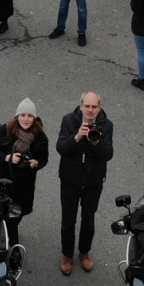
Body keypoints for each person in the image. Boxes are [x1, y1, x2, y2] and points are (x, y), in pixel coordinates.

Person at [55, 92, 113, 275]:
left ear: (99, 108)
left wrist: (96, 142)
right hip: (70, 179)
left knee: (88, 220)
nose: (90, 110)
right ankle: (67, 255)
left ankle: (84, 253)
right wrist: (77, 137)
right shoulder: (68, 121)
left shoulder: (107, 125)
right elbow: (61, 149)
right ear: (80, 106)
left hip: (93, 181)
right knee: (68, 220)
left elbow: (108, 154)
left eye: (94, 106)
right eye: (87, 106)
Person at [0, 98, 50, 242]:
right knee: (1, 213)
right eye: (23, 115)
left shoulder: (40, 136)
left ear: (34, 117)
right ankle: (10, 244)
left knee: (16, 214)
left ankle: (8, 236)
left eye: (30, 116)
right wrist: (7, 157)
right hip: (3, 181)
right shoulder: (5, 130)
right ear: (17, 116)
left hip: (24, 184)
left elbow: (44, 158)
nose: (26, 119)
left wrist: (35, 162)